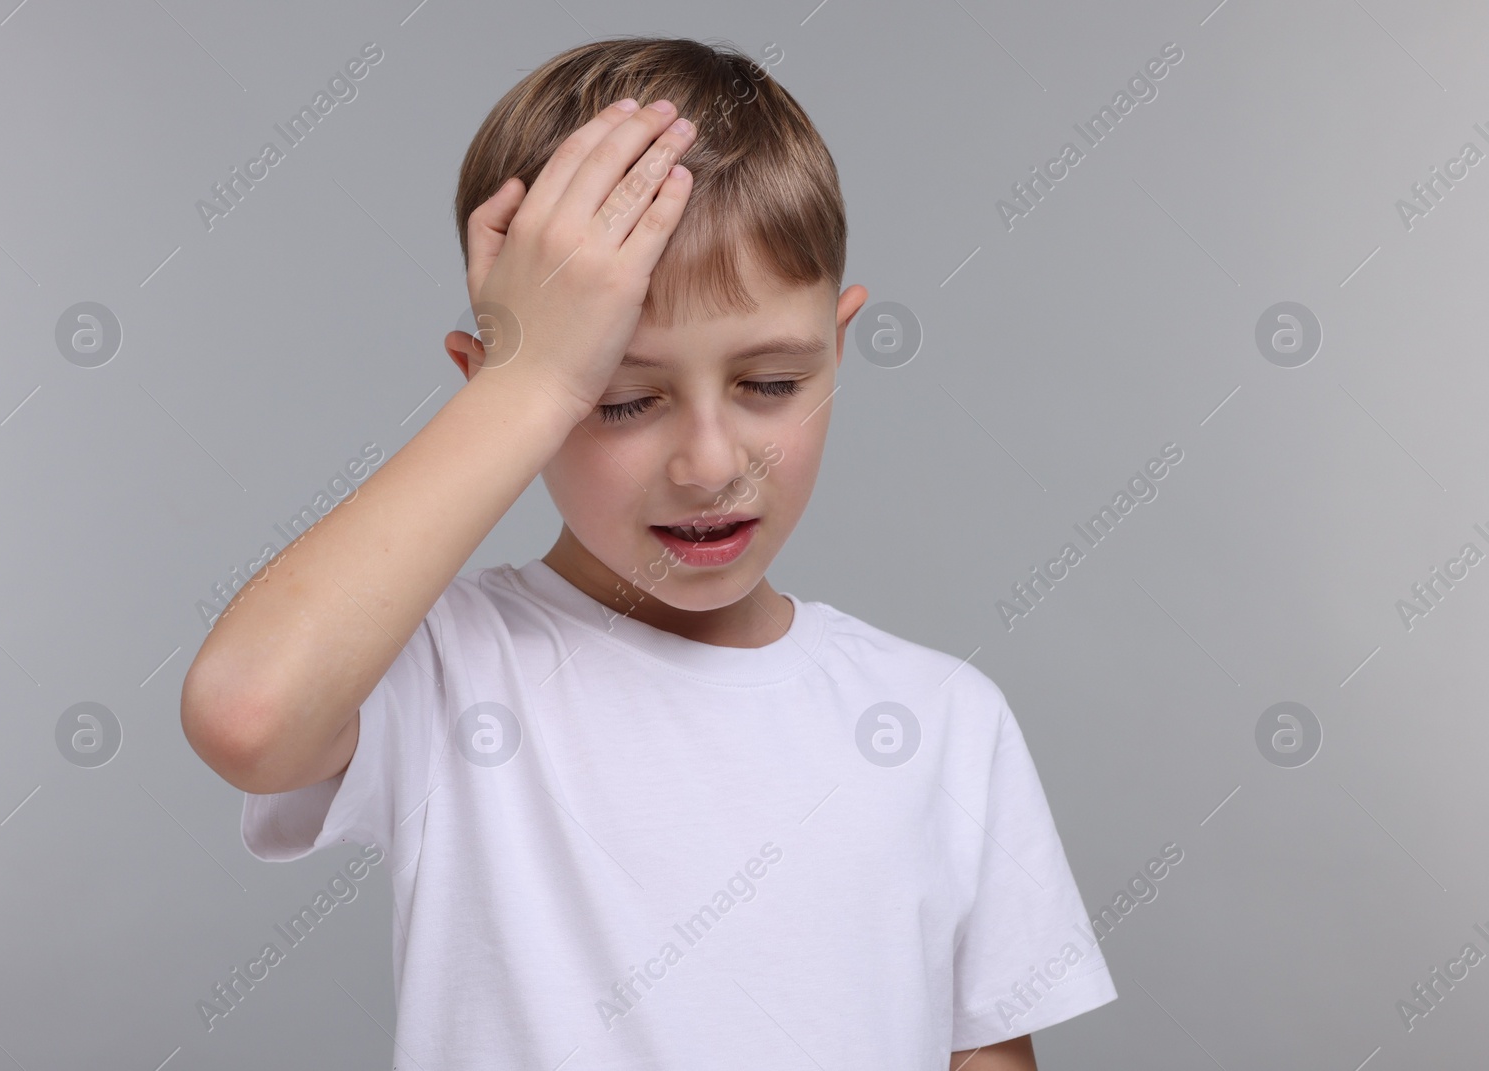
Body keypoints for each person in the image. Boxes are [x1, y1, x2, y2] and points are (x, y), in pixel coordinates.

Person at [180, 35, 1117, 1071]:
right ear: (490, 389)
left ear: (838, 351)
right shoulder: (449, 670)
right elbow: (247, 713)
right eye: (619, 398)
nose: (710, 464)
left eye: (769, 384)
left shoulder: (945, 723)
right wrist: (531, 382)